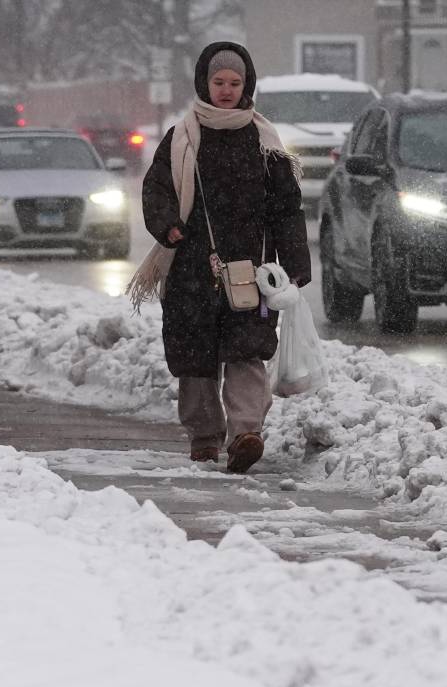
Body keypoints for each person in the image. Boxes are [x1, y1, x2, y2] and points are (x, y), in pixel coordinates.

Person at [131, 41, 310, 474]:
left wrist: (295, 263)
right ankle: (204, 436)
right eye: (219, 82)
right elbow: (157, 188)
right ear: (204, 83)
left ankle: (246, 433)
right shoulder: (181, 138)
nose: (227, 90)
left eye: (235, 82)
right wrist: (169, 224)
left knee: (247, 350)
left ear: (247, 84)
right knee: (196, 357)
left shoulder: (265, 141)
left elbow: (286, 206)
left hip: (251, 267)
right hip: (192, 265)